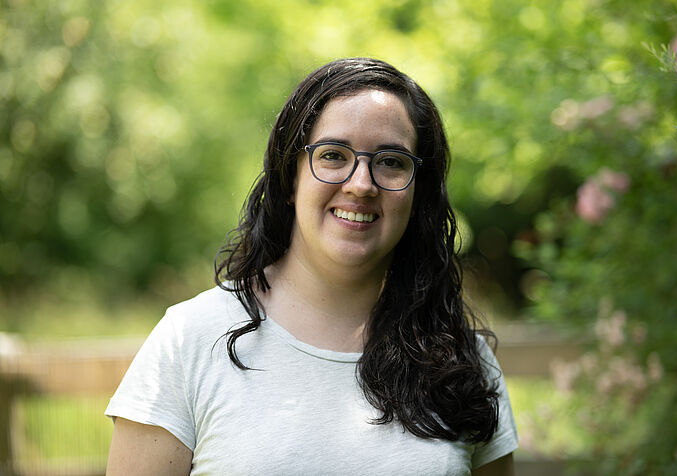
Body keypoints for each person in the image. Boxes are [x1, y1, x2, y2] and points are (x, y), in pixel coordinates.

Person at [105, 57, 518, 475]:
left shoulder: (462, 361)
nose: (361, 184)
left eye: (391, 161)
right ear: (290, 177)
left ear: (419, 194)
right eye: (334, 155)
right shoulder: (189, 340)